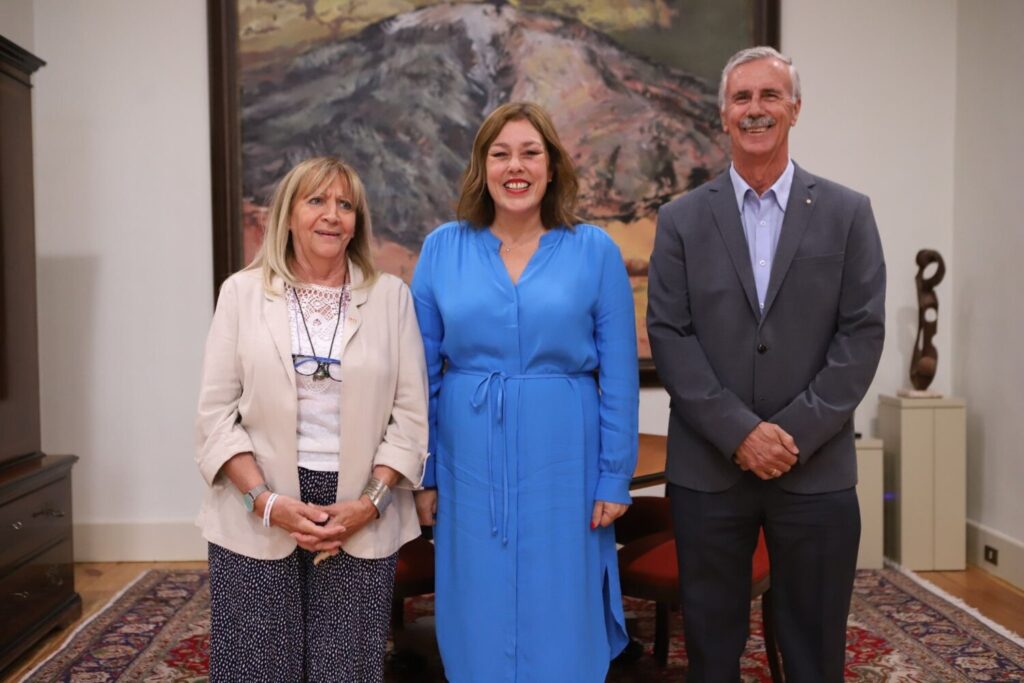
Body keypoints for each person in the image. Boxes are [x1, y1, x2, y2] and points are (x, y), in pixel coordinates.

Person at [647, 46, 885, 682]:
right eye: (742, 98)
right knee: (711, 652)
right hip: (709, 472)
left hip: (817, 472)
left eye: (770, 96)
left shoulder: (847, 213)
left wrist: (792, 436)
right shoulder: (679, 220)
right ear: (723, 115)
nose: (756, 109)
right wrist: (740, 434)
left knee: (813, 651)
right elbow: (670, 335)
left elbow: (861, 336)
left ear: (795, 110)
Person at [411, 102, 639, 681]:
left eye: (531, 153)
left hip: (566, 459)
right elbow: (418, 374)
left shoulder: (596, 251)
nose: (517, 166)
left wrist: (614, 475)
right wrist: (426, 474)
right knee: (477, 600)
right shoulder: (441, 248)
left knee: (563, 599)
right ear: (481, 168)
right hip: (468, 462)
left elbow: (618, 377)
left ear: (552, 167)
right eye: (501, 153)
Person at [195, 156, 429, 682]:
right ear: (289, 214)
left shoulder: (391, 298)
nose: (332, 215)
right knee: (256, 667)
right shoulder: (241, 293)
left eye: (346, 204)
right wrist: (265, 502)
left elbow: (411, 417)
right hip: (255, 503)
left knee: (344, 668)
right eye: (317, 200)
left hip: (360, 507)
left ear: (358, 221)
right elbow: (215, 415)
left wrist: (368, 504)